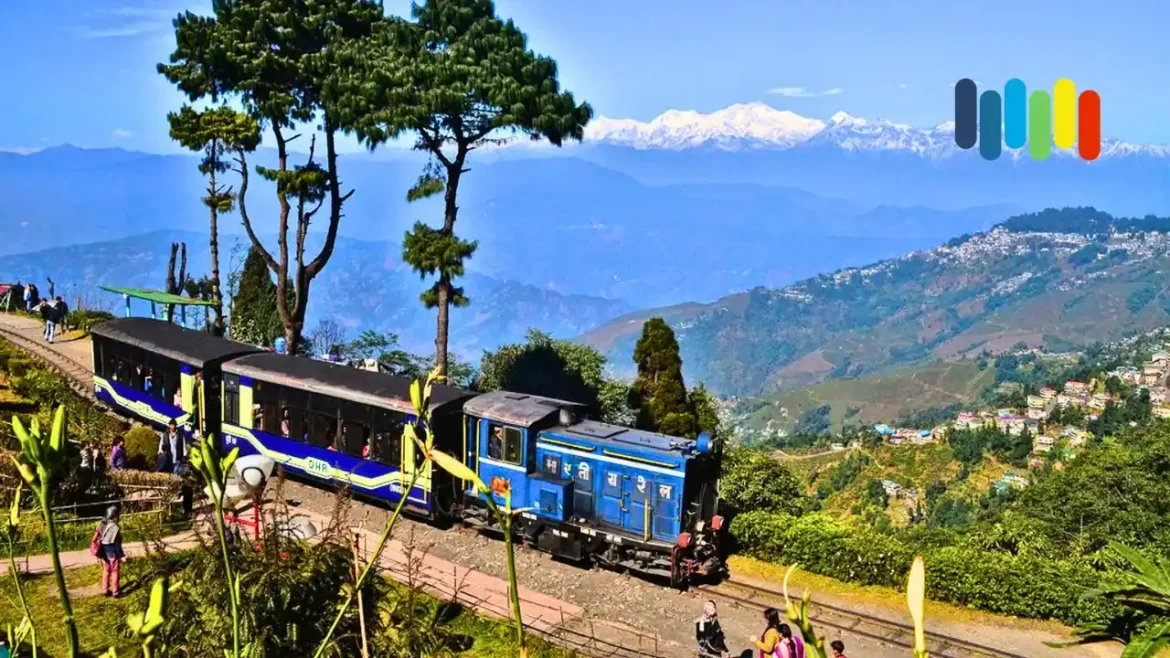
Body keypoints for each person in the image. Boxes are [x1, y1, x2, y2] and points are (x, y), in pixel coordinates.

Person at [95, 506, 124, 598]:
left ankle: (105, 590)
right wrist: (121, 555)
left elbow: (98, 538)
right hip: (112, 552)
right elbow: (117, 544)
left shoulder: (101, 524)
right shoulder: (115, 527)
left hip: (103, 552)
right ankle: (116, 592)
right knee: (115, 571)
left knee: (106, 571)